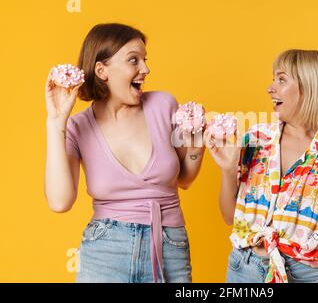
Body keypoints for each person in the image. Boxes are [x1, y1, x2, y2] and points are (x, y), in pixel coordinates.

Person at [44, 23, 204, 283]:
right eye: (134, 60)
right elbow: (60, 201)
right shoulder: (77, 128)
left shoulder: (164, 105)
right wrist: (55, 122)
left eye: (144, 59)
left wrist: (197, 146)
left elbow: (184, 179)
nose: (145, 69)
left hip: (168, 243)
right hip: (105, 249)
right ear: (101, 70)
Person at [208, 49, 318, 283]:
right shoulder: (256, 140)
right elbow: (230, 218)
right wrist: (227, 172)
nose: (270, 88)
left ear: (310, 87)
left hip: (306, 275)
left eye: (282, 79)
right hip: (244, 268)